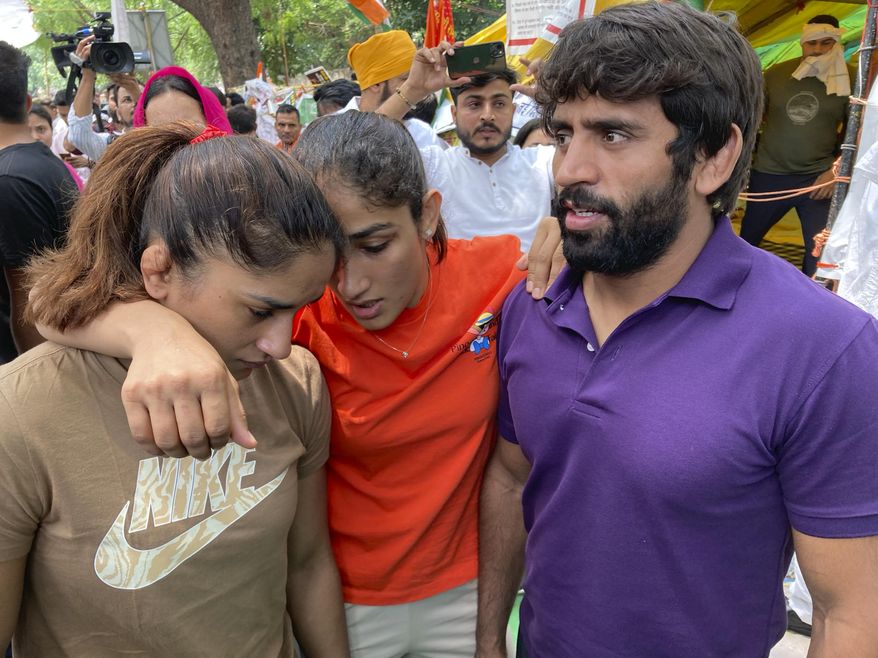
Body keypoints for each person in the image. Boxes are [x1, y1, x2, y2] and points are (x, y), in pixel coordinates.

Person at [36, 111, 561, 657]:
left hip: (469, 590)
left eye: (375, 245)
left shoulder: (505, 280)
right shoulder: (296, 313)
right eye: (333, 256)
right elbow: (52, 310)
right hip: (339, 598)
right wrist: (154, 333)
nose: (352, 284)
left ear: (427, 215)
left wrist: (571, 246)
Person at [473, 3, 878, 657]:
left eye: (612, 134)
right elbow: (511, 477)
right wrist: (490, 638)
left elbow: (850, 611)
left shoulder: (822, 349)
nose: (569, 167)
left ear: (714, 157)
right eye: (563, 131)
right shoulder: (534, 301)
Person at [0, 121, 349, 656]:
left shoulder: (295, 383)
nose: (281, 344)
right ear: (159, 270)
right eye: (260, 310)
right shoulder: (23, 410)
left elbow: (307, 563)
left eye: (299, 308)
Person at [382, 68, 554, 250]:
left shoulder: (542, 160)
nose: (487, 115)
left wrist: (558, 103)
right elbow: (359, 144)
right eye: (474, 104)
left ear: (513, 111)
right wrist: (413, 89)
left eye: (499, 104)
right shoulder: (433, 164)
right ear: (454, 114)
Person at [739, 15, 854, 276]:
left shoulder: (850, 79)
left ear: (837, 43)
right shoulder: (777, 74)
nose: (817, 49)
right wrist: (742, 167)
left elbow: (854, 136)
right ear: (802, 43)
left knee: (820, 254)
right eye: (811, 43)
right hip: (769, 174)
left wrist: (834, 173)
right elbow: (751, 122)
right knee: (746, 242)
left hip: (817, 180)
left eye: (826, 43)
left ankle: (815, 307)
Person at [0, 42, 77, 363]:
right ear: (27, 102)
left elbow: (29, 304)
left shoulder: (8, 181)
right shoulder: (41, 161)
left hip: (34, 366)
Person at [346, 30, 448, 150]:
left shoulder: (422, 133)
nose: (417, 83)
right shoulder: (335, 129)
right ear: (376, 84)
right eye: (407, 79)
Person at [66, 35, 139, 162]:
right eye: (127, 100)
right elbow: (78, 135)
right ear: (117, 111)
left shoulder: (164, 142)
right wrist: (87, 76)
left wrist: (136, 92)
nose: (135, 104)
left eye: (140, 100)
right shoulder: (113, 148)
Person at [133, 66, 232, 134]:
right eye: (161, 133)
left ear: (208, 121)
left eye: (189, 127)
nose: (177, 141)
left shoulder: (236, 162)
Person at [27, 105, 84, 190]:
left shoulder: (64, 168)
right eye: (27, 131)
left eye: (41, 129)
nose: (35, 137)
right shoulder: (11, 172)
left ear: (51, 130)